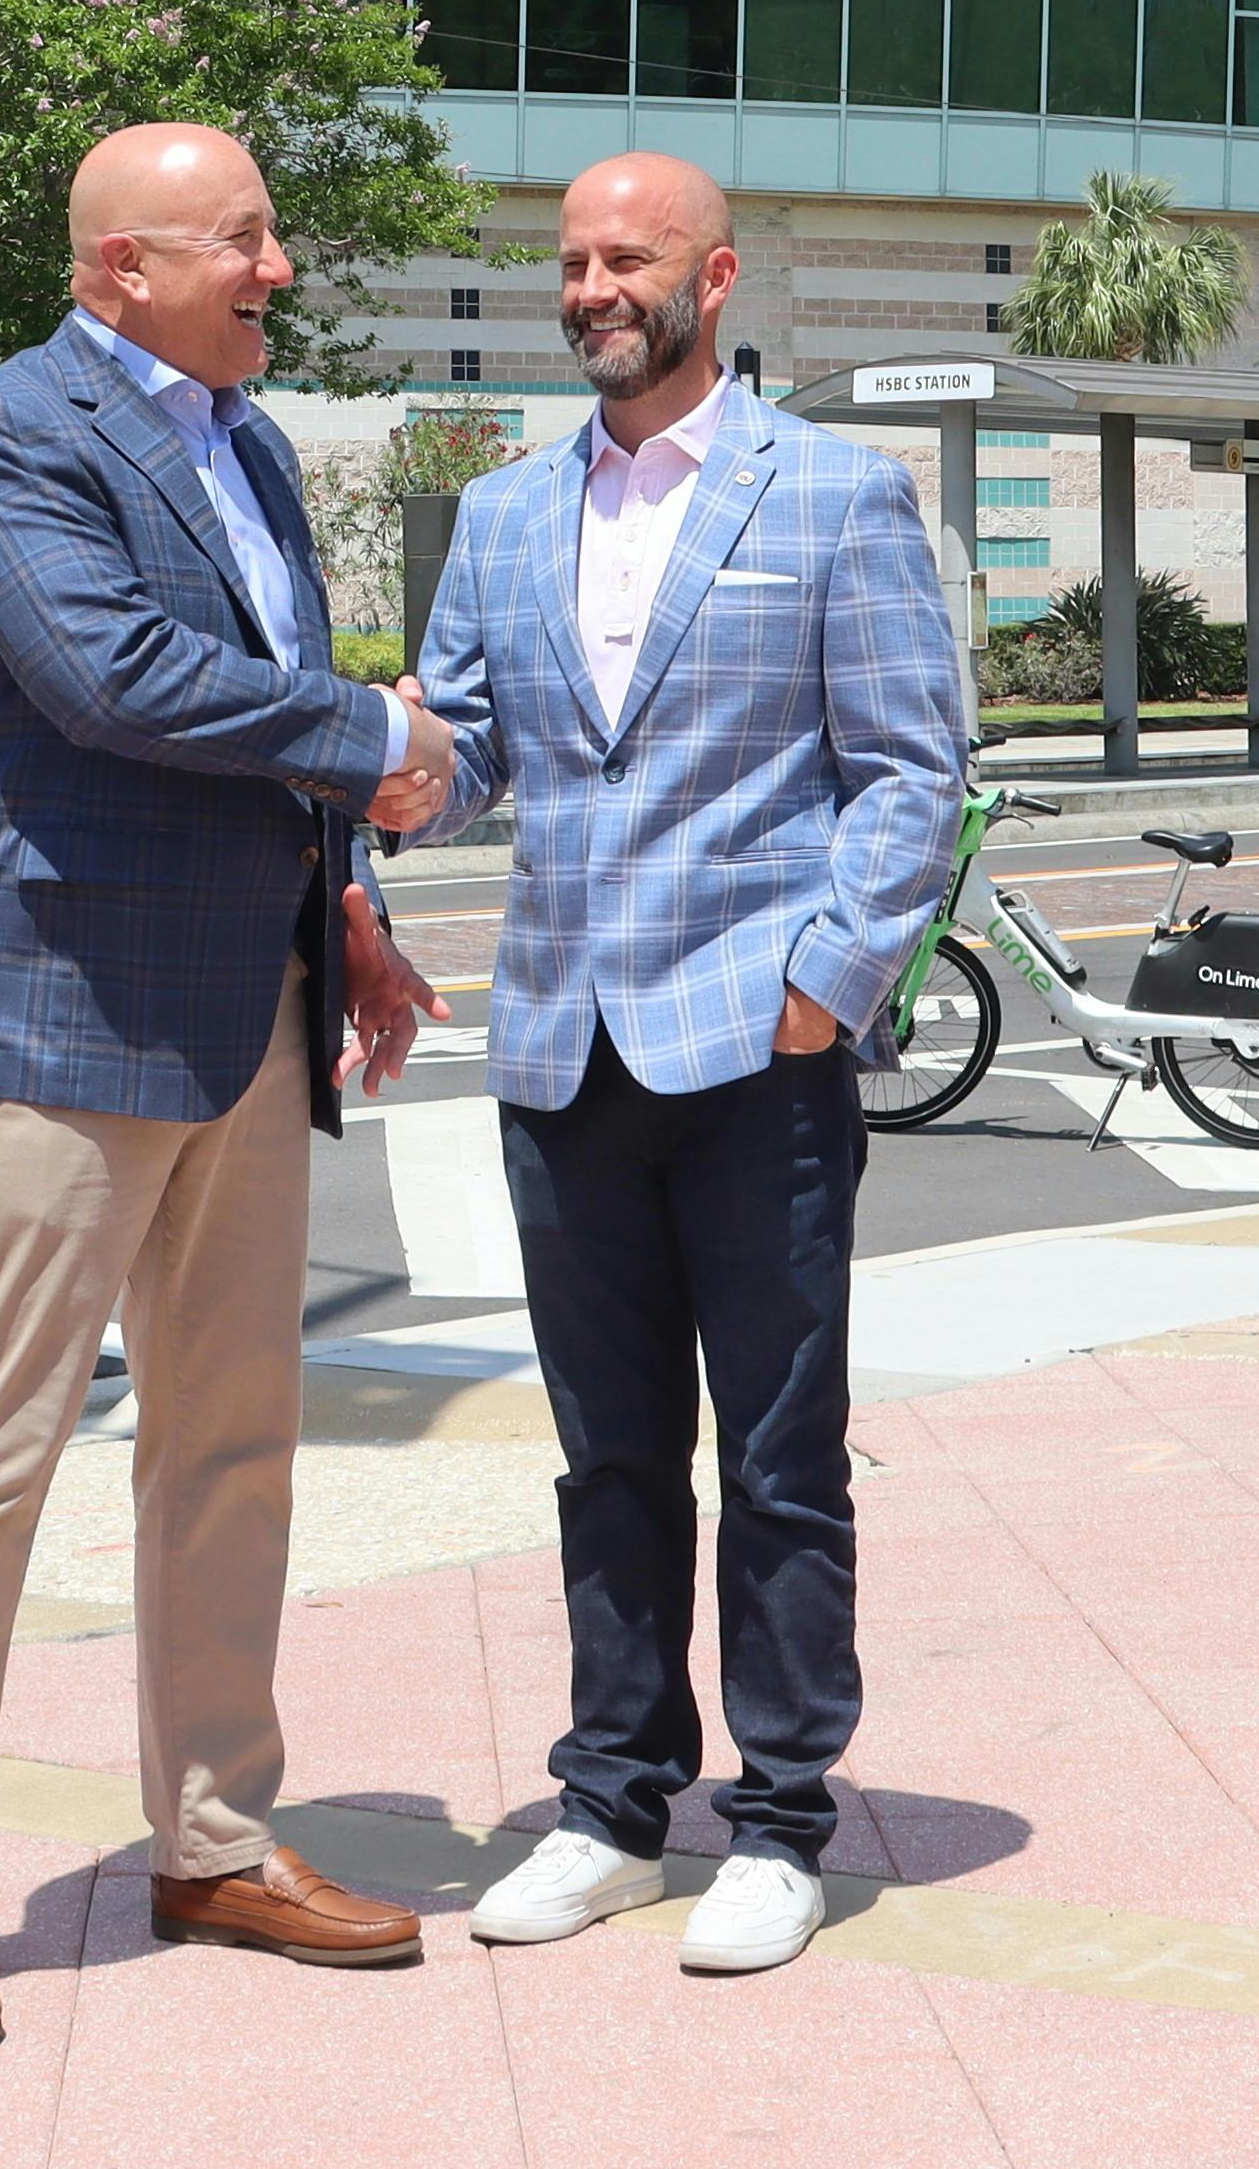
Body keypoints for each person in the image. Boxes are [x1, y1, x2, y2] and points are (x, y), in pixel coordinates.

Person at [0, 119, 464, 2052]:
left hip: (246, 1017)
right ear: (125, 268)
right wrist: (375, 734)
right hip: (60, 1017)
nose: (278, 271)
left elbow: (257, 693)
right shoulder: (13, 438)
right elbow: (113, 676)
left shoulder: (250, 441)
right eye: (246, 242)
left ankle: (212, 1834)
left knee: (231, 1444)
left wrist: (346, 899)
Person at [395, 150, 965, 1978]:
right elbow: (471, 747)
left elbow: (908, 773)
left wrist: (830, 978)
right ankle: (612, 1807)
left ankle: (783, 1821)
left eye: (623, 258)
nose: (589, 289)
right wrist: (394, 772)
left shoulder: (841, 498)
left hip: (757, 1055)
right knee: (607, 1459)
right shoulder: (499, 514)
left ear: (713, 280)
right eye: (570, 262)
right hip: (563, 1045)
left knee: (784, 1460)